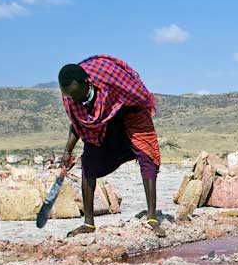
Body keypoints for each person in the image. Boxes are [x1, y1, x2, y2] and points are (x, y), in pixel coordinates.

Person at [58, 55, 165, 237]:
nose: (74, 99)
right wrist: (67, 151)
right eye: (70, 95)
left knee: (146, 155)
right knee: (88, 163)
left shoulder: (109, 79)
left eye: (77, 94)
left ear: (87, 83)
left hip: (129, 114)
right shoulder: (71, 98)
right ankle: (88, 223)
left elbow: (136, 95)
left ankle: (152, 217)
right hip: (101, 126)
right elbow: (77, 123)